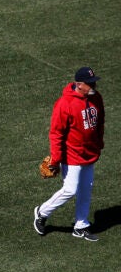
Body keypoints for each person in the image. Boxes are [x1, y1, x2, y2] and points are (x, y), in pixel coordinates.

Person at [34, 67, 105, 241]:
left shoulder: (96, 97)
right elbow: (56, 133)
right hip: (71, 155)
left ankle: (81, 225)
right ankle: (42, 212)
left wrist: (99, 143)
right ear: (79, 84)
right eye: (90, 83)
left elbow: (100, 121)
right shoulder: (64, 103)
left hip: (90, 153)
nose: (93, 85)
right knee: (70, 189)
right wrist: (56, 159)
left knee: (85, 190)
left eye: (94, 81)